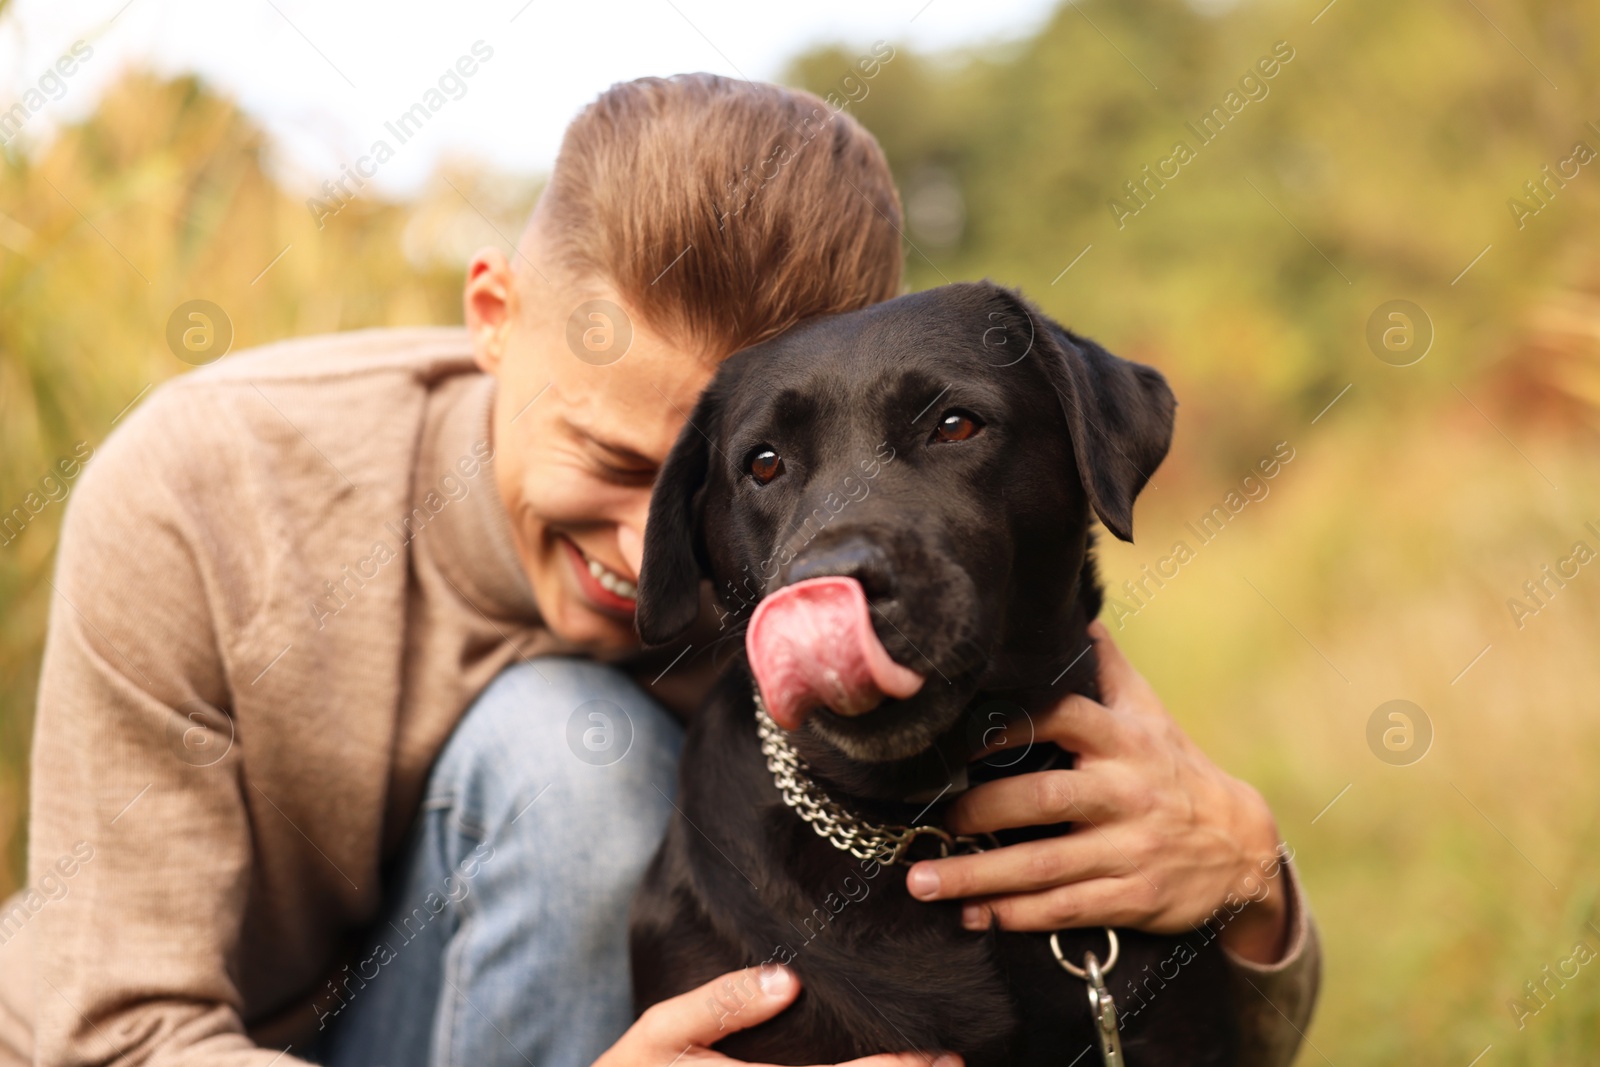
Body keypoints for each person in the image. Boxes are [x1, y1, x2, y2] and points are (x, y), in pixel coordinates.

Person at [0, 74, 1318, 1067]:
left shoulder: (849, 587)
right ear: (494, 317)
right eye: (615, 457)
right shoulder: (202, 489)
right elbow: (108, 1036)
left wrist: (1248, 884)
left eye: (721, 479)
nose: (656, 554)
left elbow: (1204, 998)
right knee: (564, 750)